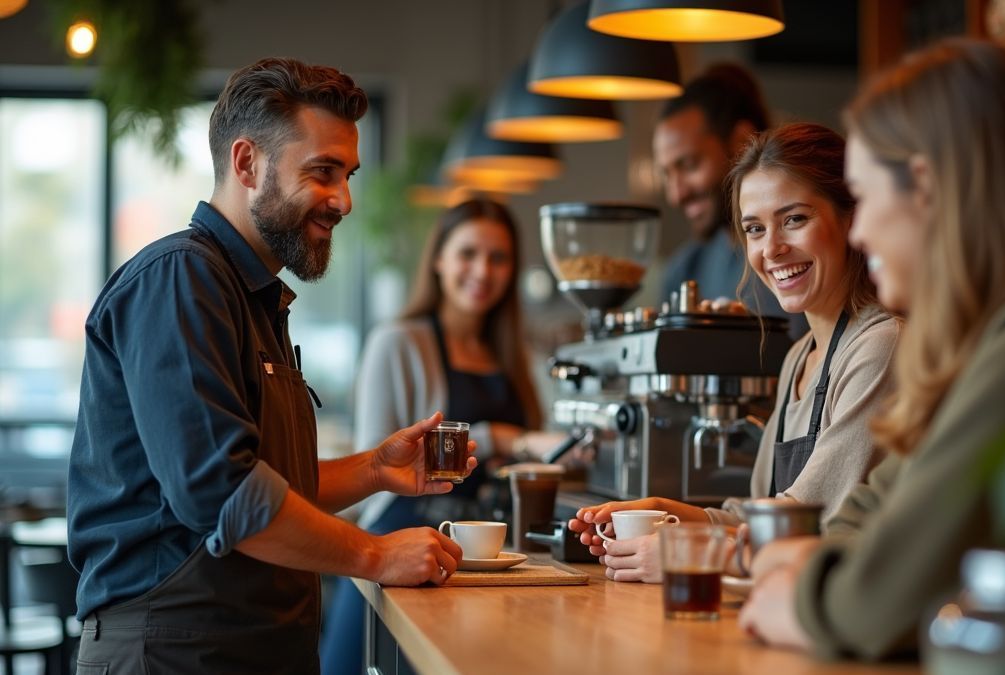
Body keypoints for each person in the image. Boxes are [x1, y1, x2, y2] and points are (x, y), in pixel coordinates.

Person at [67, 58, 475, 675]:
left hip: (247, 649)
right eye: (323, 172)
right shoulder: (180, 278)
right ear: (246, 163)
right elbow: (223, 493)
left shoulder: (254, 295)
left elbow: (267, 480)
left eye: (349, 175)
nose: (343, 200)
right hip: (174, 653)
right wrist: (375, 554)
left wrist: (374, 469)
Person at [737, 39, 1005, 659]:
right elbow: (880, 509)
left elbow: (880, 602)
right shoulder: (1000, 341)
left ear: (926, 188)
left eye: (865, 199)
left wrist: (801, 597)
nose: (860, 231)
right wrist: (818, 561)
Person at [567, 122, 900, 582]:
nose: (772, 249)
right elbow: (764, 517)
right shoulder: (799, 357)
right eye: (755, 229)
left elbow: (811, 526)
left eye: (795, 219)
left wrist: (688, 550)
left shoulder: (880, 346)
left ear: (850, 218)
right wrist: (675, 514)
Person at [320, 197, 543, 674]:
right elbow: (375, 462)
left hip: (482, 562)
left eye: (498, 258)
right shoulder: (397, 342)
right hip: (400, 548)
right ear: (439, 259)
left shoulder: (511, 355)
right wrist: (498, 439)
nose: (483, 270)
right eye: (468, 253)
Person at [654, 63, 806, 337]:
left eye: (689, 165)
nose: (676, 195)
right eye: (667, 174)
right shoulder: (684, 269)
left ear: (741, 142)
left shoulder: (804, 256)